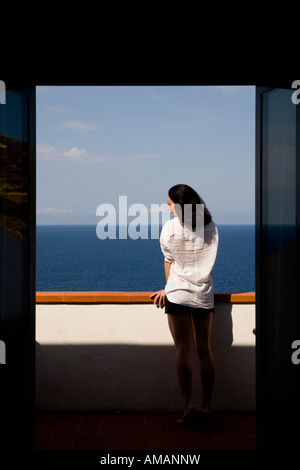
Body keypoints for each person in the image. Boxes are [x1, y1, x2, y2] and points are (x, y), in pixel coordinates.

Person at [150, 184, 219, 423]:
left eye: (169, 204)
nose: (167, 208)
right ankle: (207, 406)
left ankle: (188, 404)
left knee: (182, 349)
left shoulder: (170, 227)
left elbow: (169, 260)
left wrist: (168, 288)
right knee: (204, 349)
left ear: (179, 205)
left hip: (178, 294)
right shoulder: (210, 226)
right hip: (203, 294)